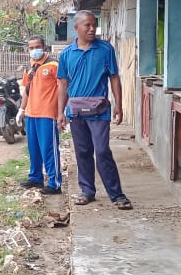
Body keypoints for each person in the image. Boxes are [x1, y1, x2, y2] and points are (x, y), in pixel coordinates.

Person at [56, 11, 133, 210]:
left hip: (100, 110)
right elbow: (62, 84)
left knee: (102, 150)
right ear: (76, 28)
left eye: (94, 25)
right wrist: (60, 113)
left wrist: (119, 104)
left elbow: (114, 77)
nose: (92, 29)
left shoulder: (105, 49)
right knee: (82, 151)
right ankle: (87, 190)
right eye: (87, 26)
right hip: (76, 112)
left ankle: (117, 194)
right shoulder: (66, 54)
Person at [17, 35, 62, 194]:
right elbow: (26, 91)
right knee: (33, 148)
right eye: (31, 48)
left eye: (37, 47)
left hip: (47, 114)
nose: (34, 50)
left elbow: (63, 89)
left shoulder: (54, 65)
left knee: (48, 148)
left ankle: (54, 182)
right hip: (31, 113)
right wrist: (21, 110)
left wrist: (61, 112)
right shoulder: (30, 67)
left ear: (44, 47)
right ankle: (35, 177)